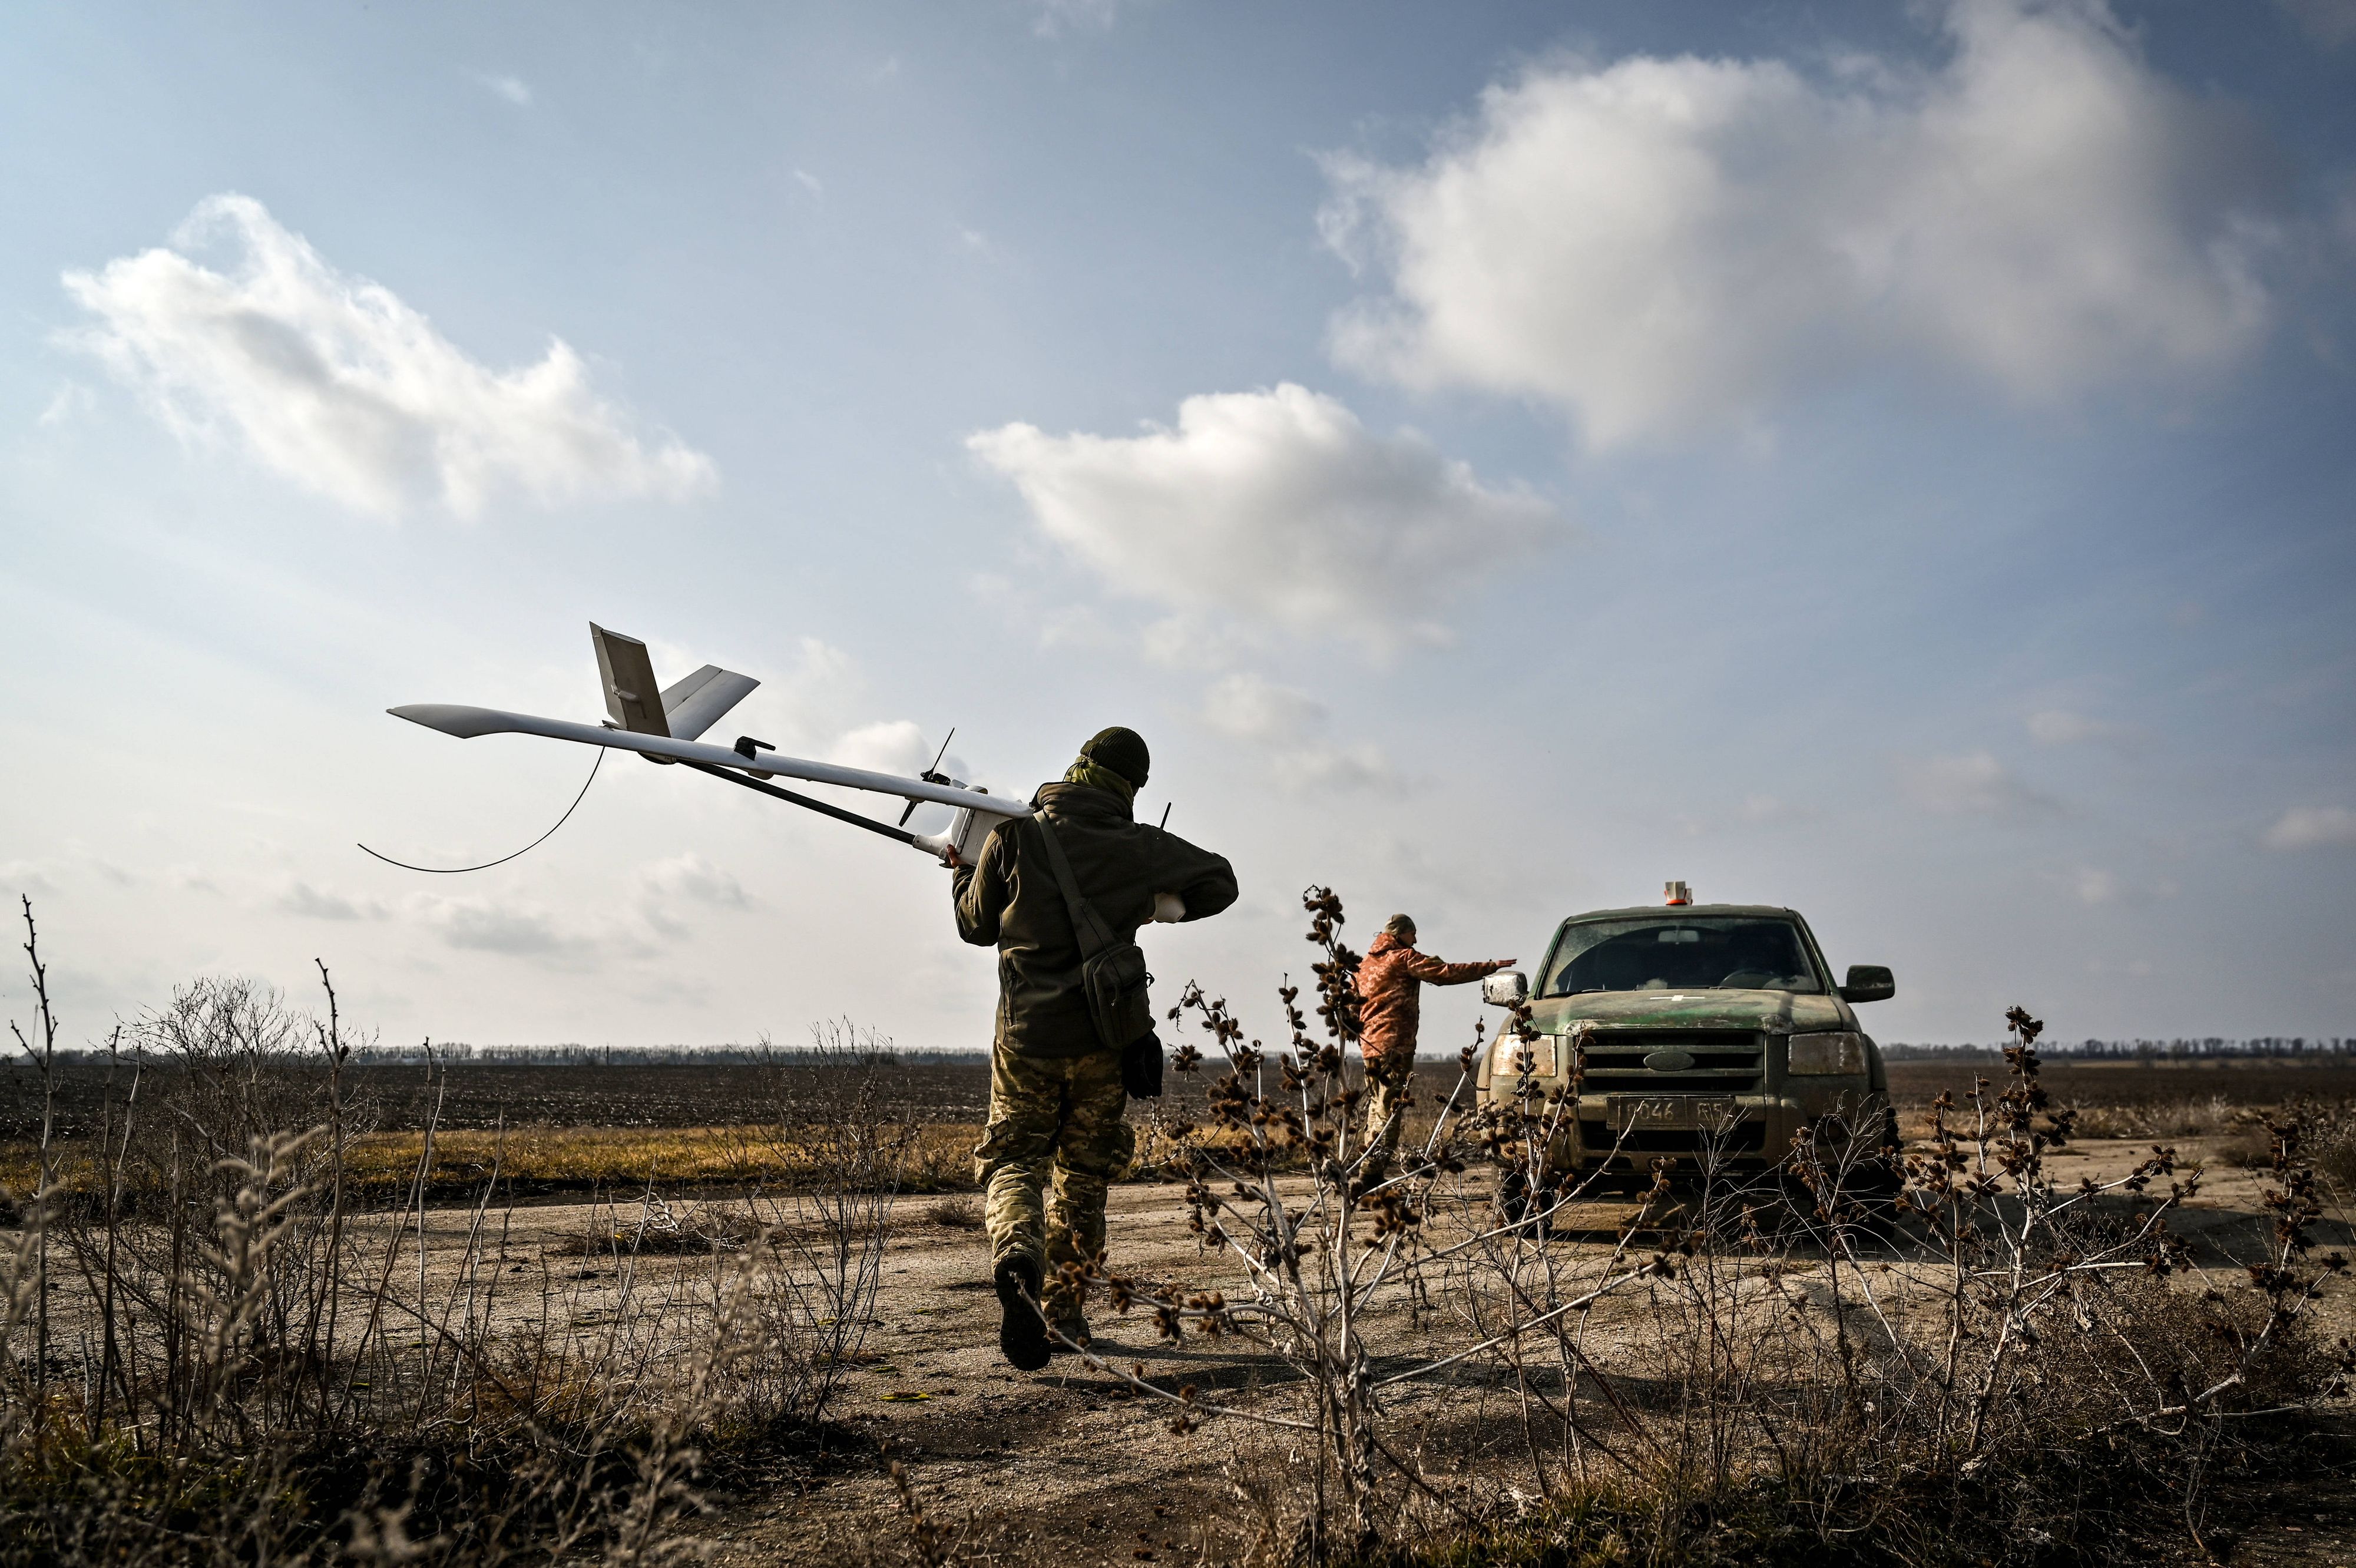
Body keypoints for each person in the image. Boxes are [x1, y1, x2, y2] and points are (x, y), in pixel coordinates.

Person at [949, 726, 1237, 1371]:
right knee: (1082, 1180)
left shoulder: (1013, 835)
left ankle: (1016, 1254)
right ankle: (1066, 1318)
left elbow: (974, 926)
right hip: (1104, 1042)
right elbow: (1222, 882)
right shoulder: (1141, 846)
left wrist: (963, 873)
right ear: (1132, 786)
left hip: (1026, 1039)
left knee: (1014, 1159)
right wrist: (1159, 905)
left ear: (1079, 766)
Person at [1352, 914, 1514, 1171]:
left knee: (1376, 1107)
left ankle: (1367, 1164)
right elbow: (1444, 973)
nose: (1415, 940)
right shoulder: (1403, 958)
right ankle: (1372, 1171)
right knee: (1390, 1110)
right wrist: (1489, 967)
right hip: (1395, 1046)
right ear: (1400, 934)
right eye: (1412, 934)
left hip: (1369, 1045)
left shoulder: (1364, 964)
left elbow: (1352, 1004)